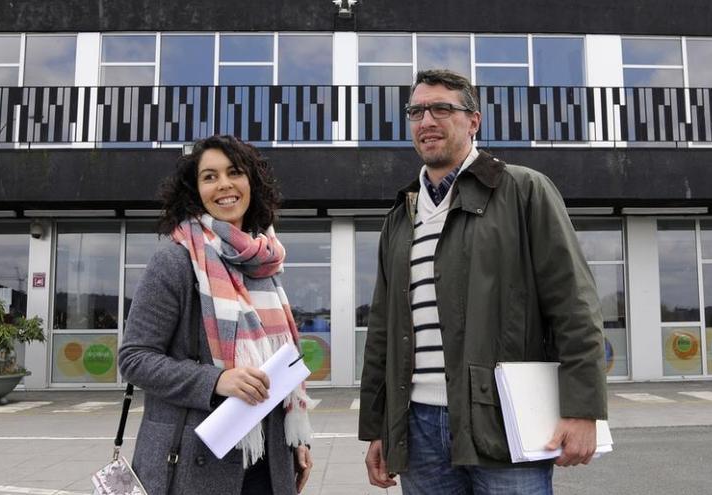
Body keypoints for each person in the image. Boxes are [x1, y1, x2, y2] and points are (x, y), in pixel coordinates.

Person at [357, 69, 608, 495]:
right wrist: (378, 426)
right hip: (417, 431)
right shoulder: (400, 217)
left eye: (442, 109)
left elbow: (574, 306)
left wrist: (583, 410)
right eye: (416, 111)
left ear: (473, 121)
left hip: (505, 423)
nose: (427, 121)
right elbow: (382, 330)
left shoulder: (523, 190)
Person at [119, 134, 313, 495]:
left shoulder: (264, 262)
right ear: (195, 190)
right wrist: (214, 381)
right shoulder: (175, 261)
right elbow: (134, 358)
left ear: (251, 183)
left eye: (234, 172)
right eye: (210, 176)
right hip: (193, 461)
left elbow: (276, 368)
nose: (224, 184)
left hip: (268, 464)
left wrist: (296, 438)